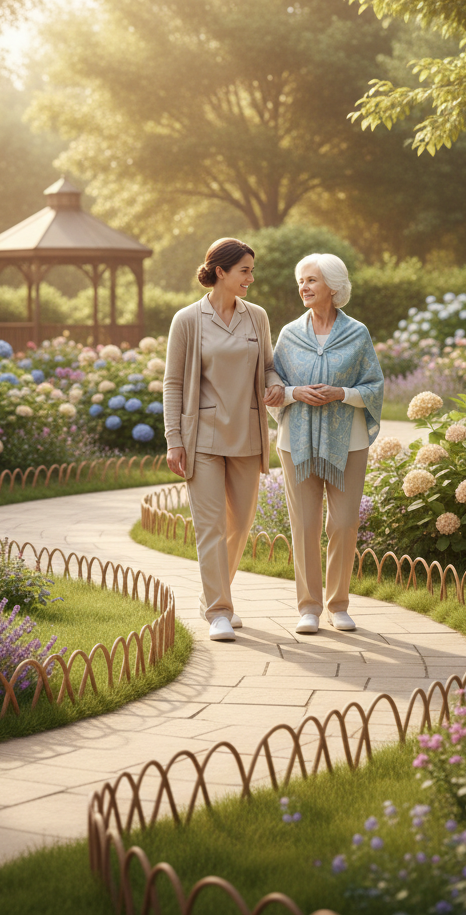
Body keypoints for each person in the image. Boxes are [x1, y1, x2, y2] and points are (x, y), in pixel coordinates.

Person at [163, 238, 284, 641]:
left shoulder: (257, 317)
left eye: (251, 269)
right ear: (221, 272)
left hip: (248, 433)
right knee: (210, 526)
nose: (251, 277)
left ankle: (213, 595)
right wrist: (173, 439)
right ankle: (218, 609)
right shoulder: (187, 320)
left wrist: (274, 385)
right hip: (203, 439)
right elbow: (173, 384)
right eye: (245, 270)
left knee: (240, 525)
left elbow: (268, 366)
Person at [270, 253, 383, 634]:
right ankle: (309, 607)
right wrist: (294, 392)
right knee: (303, 524)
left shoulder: (358, 334)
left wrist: (342, 393)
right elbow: (272, 387)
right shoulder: (288, 334)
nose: (304, 287)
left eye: (312, 280)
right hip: (295, 443)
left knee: (344, 523)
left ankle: (338, 604)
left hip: (347, 443)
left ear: (333, 287)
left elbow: (374, 386)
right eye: (301, 280)